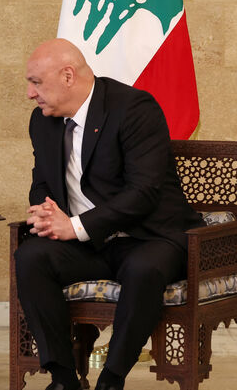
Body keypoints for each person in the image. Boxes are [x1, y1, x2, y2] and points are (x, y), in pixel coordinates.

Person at [15, 38, 203, 390]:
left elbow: (143, 193)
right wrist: (44, 210)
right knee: (31, 257)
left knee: (143, 268)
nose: (30, 93)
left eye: (36, 82)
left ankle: (112, 378)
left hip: (149, 235)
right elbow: (41, 181)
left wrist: (75, 226)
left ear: (68, 76)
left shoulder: (133, 109)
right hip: (92, 245)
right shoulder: (43, 121)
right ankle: (62, 377)